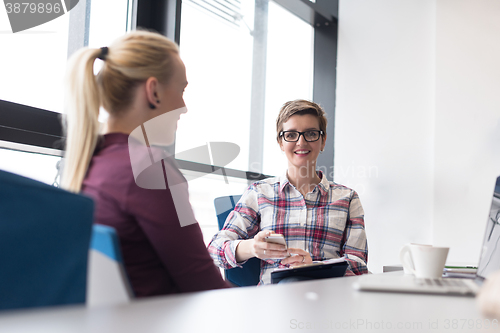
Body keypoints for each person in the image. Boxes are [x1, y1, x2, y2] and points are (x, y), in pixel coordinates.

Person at [61, 30, 229, 297]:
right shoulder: (149, 168)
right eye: (182, 90)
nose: (184, 106)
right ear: (153, 92)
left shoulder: (89, 163)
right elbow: (204, 285)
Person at [208, 99, 368, 285]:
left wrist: (315, 267)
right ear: (281, 142)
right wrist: (252, 247)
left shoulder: (348, 198)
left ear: (323, 141)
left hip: (328, 298)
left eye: (311, 133)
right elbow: (214, 250)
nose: (301, 141)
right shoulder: (259, 193)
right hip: (272, 302)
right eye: (291, 134)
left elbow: (359, 266)